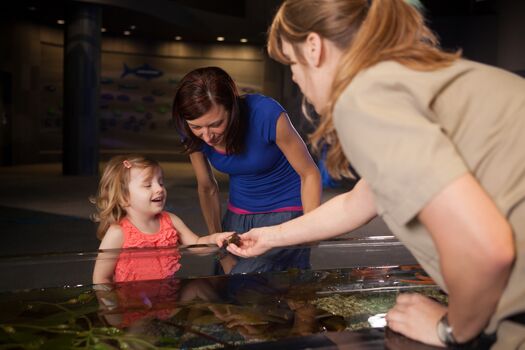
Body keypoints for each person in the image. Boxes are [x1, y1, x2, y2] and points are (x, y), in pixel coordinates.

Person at [225, 0, 525, 347]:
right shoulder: (411, 77)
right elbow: (359, 200)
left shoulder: (365, 97)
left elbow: (487, 249)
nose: (293, 74)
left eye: (291, 61)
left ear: (313, 46)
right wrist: (271, 236)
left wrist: (451, 329)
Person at [172, 66, 321, 274]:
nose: (206, 137)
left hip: (285, 212)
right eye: (197, 127)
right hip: (236, 215)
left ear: (232, 109)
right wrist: (220, 251)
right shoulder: (189, 128)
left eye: (216, 124)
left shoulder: (266, 114)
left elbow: (310, 173)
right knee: (225, 283)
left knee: (246, 281)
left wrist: (308, 230)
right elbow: (207, 188)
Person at [91, 154, 221, 285]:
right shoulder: (118, 232)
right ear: (124, 197)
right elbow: (101, 278)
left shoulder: (170, 220)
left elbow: (197, 245)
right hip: (131, 302)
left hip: (166, 297)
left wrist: (216, 239)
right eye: (148, 185)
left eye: (160, 182)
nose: (159, 189)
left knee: (200, 287)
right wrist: (110, 304)